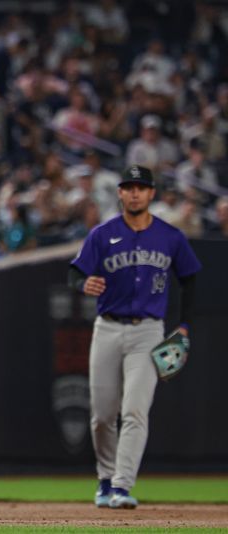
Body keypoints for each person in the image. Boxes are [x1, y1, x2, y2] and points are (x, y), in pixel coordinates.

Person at [67, 165, 201, 509]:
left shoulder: (170, 236)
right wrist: (83, 284)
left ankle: (122, 487)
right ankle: (105, 478)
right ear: (120, 193)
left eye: (141, 187)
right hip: (108, 328)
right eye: (129, 187)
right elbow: (74, 272)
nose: (135, 192)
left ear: (151, 193)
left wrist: (184, 324)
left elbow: (190, 279)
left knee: (135, 410)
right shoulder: (103, 233)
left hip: (148, 331)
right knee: (101, 415)